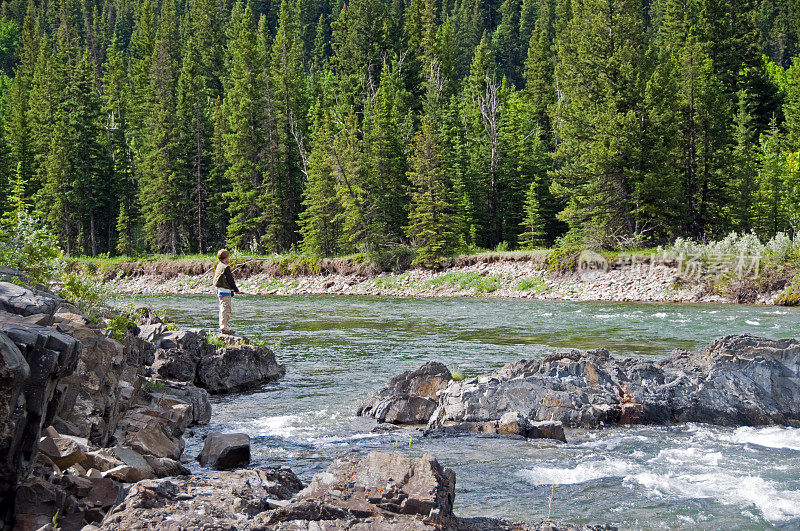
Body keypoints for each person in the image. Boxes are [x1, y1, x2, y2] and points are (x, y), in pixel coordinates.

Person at [213, 249, 241, 334]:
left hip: (220, 290)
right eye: (228, 256)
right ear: (225, 258)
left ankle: (223, 326)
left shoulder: (219, 265)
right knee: (226, 309)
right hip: (225, 291)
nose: (229, 258)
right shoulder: (226, 267)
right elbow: (230, 280)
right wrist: (236, 290)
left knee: (223, 308)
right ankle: (224, 327)